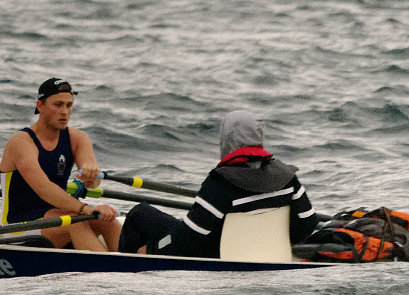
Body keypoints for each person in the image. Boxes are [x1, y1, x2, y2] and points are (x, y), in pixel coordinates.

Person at [117, 110, 319, 257]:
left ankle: (126, 270)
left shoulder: (221, 181)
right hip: (265, 255)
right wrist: (271, 242)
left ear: (227, 139)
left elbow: (189, 239)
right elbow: (308, 224)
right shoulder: (288, 176)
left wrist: (153, 249)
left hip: (214, 255)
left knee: (139, 214)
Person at [0, 78, 121, 251]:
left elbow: (92, 181)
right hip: (17, 225)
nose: (65, 112)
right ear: (40, 106)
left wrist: (91, 177)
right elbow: (43, 188)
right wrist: (85, 208)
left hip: (56, 216)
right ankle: (109, 266)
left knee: (108, 221)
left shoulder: (78, 138)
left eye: (69, 105)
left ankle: (134, 264)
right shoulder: (21, 141)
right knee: (75, 222)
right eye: (58, 105)